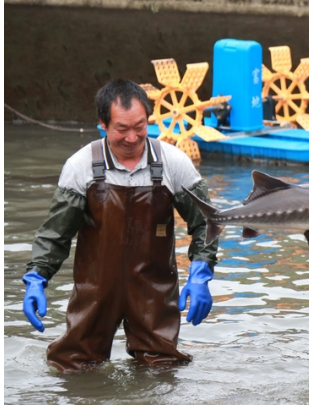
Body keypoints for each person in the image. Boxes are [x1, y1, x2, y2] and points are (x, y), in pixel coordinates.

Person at [21, 79, 219, 372]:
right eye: (122, 129)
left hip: (154, 290)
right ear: (102, 123)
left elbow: (206, 222)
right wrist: (36, 277)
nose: (132, 138)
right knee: (73, 367)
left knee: (162, 372)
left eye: (140, 127)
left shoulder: (174, 163)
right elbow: (56, 234)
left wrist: (201, 273)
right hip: (95, 290)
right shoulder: (81, 166)